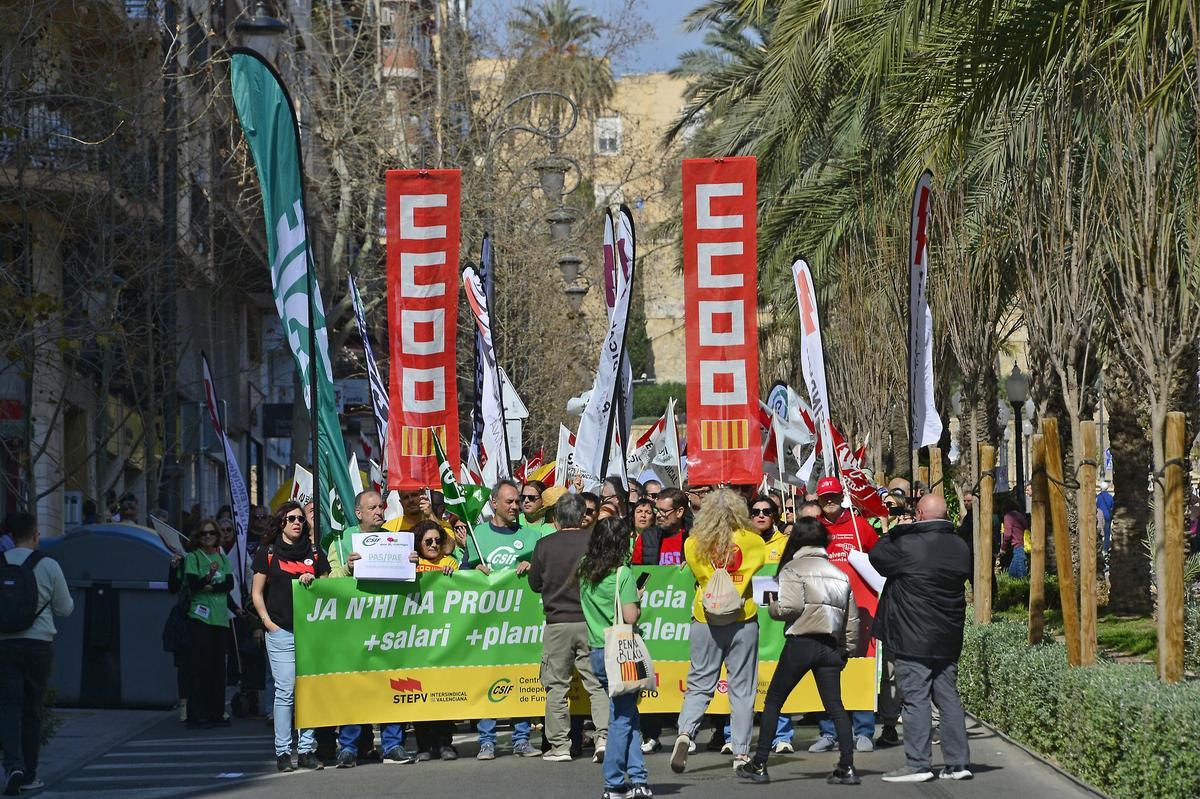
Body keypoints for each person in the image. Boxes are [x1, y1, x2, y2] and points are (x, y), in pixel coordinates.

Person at [735, 517, 861, 786]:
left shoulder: (793, 568)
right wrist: (845, 651)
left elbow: (789, 608)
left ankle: (759, 763)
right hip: (829, 646)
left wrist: (772, 604)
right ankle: (847, 766)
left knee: (774, 702)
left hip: (801, 642)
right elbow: (851, 619)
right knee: (836, 706)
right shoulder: (840, 574)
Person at [870, 493, 973, 783]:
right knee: (947, 696)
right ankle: (958, 762)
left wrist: (895, 529)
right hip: (948, 635)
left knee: (915, 697)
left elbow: (877, 557)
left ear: (919, 513)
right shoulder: (959, 545)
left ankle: (918, 764)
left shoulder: (908, 543)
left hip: (913, 635)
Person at [671, 488, 766, 774]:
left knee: (700, 683)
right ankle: (740, 753)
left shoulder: (693, 543)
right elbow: (758, 564)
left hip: (705, 617)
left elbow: (696, 571)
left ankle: (686, 733)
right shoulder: (753, 542)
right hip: (742, 618)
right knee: (742, 689)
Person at [328, 490, 415, 766]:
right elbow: (329, 581)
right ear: (358, 512)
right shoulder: (342, 541)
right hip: (355, 627)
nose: (379, 511)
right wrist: (346, 568)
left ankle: (393, 745)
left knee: (393, 686)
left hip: (390, 625)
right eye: (373, 507)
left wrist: (413, 564)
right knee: (354, 687)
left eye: (382, 506)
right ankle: (349, 747)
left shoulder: (398, 540)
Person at [528, 493, 610, 763]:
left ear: (556, 518)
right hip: (591, 622)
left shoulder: (544, 545)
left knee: (556, 687)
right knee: (597, 685)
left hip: (557, 623)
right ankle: (604, 739)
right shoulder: (595, 542)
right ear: (582, 515)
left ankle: (560, 746)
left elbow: (534, 584)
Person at [464, 480, 541, 759]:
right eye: (509, 502)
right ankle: (487, 739)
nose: (515, 507)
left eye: (517, 501)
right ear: (494, 504)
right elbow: (463, 576)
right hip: (487, 624)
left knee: (519, 676)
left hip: (521, 623)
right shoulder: (478, 535)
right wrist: (475, 570)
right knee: (488, 678)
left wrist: (532, 566)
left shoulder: (531, 537)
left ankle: (522, 738)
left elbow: (542, 574)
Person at [251, 501, 330, 773]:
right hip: (281, 631)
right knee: (285, 692)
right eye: (291, 519)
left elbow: (331, 590)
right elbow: (256, 592)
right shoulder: (268, 552)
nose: (297, 522)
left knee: (308, 690)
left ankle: (307, 749)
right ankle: (283, 752)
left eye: (300, 519)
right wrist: (267, 623)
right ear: (281, 523)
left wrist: (315, 581)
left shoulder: (316, 553)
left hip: (311, 632)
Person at [577, 516, 653, 799]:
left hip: (597, 647)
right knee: (622, 718)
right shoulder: (623, 574)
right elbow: (630, 615)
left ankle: (638, 777)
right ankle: (613, 781)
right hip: (619, 650)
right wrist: (638, 597)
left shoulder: (585, 567)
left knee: (628, 714)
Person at [0, 513, 73, 795]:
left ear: (10, 535)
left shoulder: (2, 564)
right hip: (39, 645)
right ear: (35, 535)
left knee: (8, 706)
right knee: (33, 709)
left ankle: (12, 765)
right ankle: (29, 774)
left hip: (5, 644)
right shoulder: (48, 565)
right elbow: (65, 608)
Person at [809, 476, 879, 755]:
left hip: (861, 609)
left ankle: (864, 731)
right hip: (824, 609)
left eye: (834, 496)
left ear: (842, 496)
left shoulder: (859, 525)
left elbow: (879, 557)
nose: (830, 502)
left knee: (861, 668)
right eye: (825, 497)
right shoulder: (814, 529)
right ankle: (829, 732)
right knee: (826, 669)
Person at [723, 495, 793, 754]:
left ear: (774, 516)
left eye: (766, 511)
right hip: (744, 618)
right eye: (755, 511)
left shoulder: (786, 543)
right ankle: (732, 736)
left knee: (778, 679)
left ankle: (782, 735)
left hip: (775, 622)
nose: (760, 515)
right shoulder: (737, 541)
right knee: (739, 679)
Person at [631, 488, 688, 753]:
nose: (658, 516)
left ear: (680, 512)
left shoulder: (693, 537)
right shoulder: (648, 537)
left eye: (664, 512)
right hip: (655, 620)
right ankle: (650, 734)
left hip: (684, 618)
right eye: (657, 511)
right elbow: (638, 573)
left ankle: (687, 732)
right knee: (651, 675)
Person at [404, 520, 459, 761]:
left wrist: (453, 574)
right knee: (419, 694)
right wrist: (407, 566)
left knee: (443, 691)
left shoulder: (449, 563)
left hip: (443, 638)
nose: (434, 544)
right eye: (428, 541)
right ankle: (424, 746)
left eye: (438, 540)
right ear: (418, 544)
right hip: (416, 638)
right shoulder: (411, 563)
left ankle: (445, 744)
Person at [182, 519, 233, 729]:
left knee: (218, 669)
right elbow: (193, 584)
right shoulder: (193, 557)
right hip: (200, 618)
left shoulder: (222, 557)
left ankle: (216, 712)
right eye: (204, 534)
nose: (209, 537)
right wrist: (209, 578)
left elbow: (228, 584)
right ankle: (197, 714)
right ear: (198, 537)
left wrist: (213, 584)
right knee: (199, 668)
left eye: (212, 533)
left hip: (220, 619)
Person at [1000, 500, 1029, 578]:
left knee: (1021, 570)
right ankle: (1012, 582)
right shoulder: (1020, 515)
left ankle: (1023, 585)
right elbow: (1026, 527)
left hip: (1017, 544)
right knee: (1012, 571)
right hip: (1024, 543)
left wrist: (1003, 547)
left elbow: (1007, 535)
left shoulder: (1008, 517)